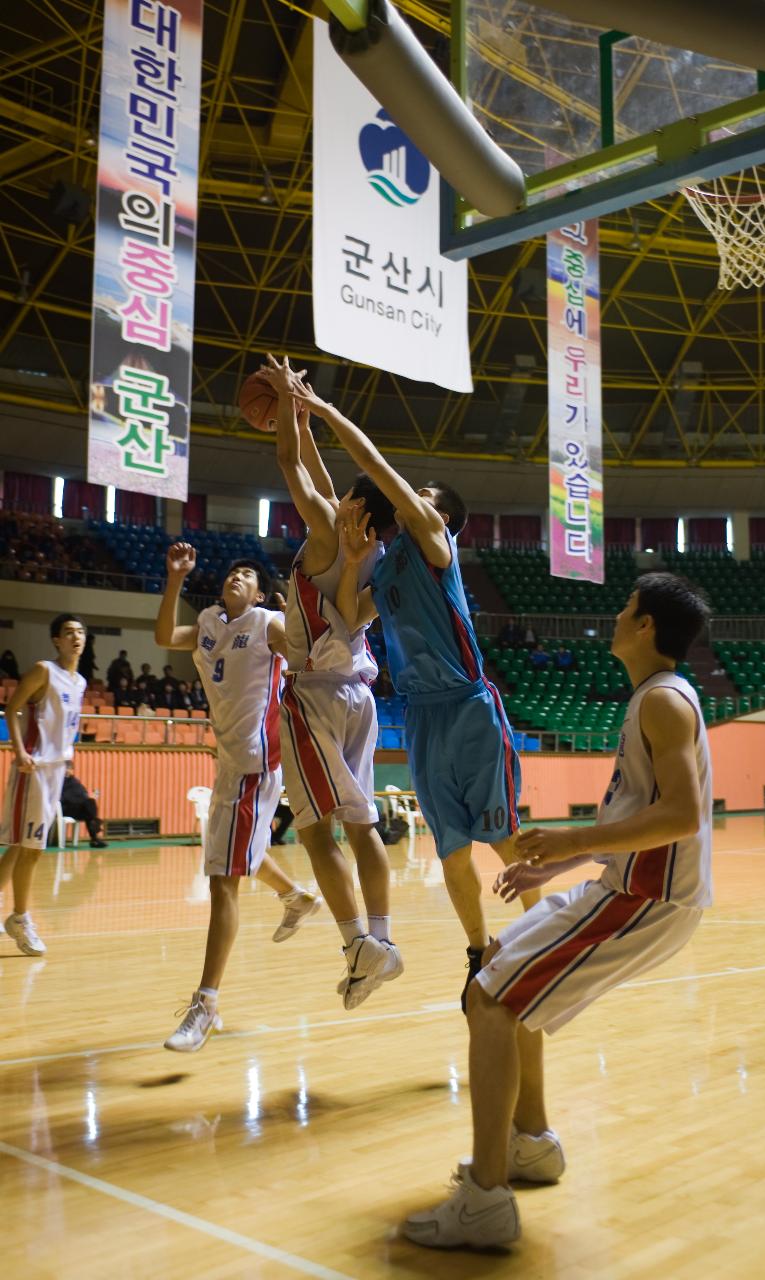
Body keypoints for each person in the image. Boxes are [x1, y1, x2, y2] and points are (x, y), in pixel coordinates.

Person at [402, 573, 713, 1248]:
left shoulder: (661, 703)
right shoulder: (652, 699)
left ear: (646, 627)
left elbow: (682, 816)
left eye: (625, 608)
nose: (615, 614)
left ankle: (485, 1200)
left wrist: (575, 840)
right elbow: (638, 817)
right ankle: (530, 1143)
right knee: (500, 976)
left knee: (490, 999)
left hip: (646, 901)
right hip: (624, 887)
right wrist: (563, 863)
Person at [276, 362, 535, 1004]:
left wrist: (321, 412)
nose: (414, 500)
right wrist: (356, 560)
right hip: (419, 713)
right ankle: (479, 951)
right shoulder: (387, 565)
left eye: (426, 497)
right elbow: (349, 619)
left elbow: (375, 468)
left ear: (444, 516)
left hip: (469, 705)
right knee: (451, 851)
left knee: (501, 835)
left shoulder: (437, 545)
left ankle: (546, 934)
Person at [259, 355, 402, 1010]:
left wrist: (288, 407)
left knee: (315, 831)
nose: (336, 493)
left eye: (348, 495)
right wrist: (300, 403)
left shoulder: (326, 535)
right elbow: (312, 469)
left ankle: (356, 946)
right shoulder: (376, 555)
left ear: (358, 514)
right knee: (361, 826)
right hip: (358, 697)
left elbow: (292, 466)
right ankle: (381, 939)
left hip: (314, 700)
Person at [155, 545, 322, 1052]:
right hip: (230, 762)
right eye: (232, 571)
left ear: (258, 592)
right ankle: (296, 896)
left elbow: (303, 648)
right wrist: (174, 579)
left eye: (248, 573)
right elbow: (165, 636)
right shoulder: (207, 623)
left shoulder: (268, 623)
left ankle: (205, 1004)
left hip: (255, 762)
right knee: (233, 856)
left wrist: (294, 606)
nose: (238, 576)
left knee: (222, 882)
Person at [0, 614, 87, 955]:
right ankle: (20, 918)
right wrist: (20, 752)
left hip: (55, 769)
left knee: (22, 846)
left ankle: (16, 916)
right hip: (33, 768)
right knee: (31, 848)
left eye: (80, 632)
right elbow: (12, 709)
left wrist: (68, 754)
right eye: (68, 633)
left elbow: (65, 725)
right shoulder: (43, 670)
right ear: (56, 640)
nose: (75, 637)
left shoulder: (78, 681)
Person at [61, 766, 108, 848]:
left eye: (70, 768)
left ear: (72, 770)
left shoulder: (75, 781)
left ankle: (94, 837)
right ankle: (95, 836)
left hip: (78, 808)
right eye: (66, 768)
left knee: (90, 804)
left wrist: (90, 797)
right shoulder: (60, 781)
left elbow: (83, 794)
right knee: (89, 810)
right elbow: (64, 797)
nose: (67, 770)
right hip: (66, 808)